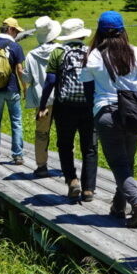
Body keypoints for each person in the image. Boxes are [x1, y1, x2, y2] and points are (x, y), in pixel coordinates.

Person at [81, 11, 137, 227]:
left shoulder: (92, 55)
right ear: (123, 30)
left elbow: (88, 93)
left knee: (119, 164)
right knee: (127, 163)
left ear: (99, 31)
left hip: (106, 114)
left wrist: (93, 115)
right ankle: (118, 206)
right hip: (133, 114)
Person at [38, 18, 98, 203]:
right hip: (89, 105)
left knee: (65, 145)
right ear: (82, 34)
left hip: (65, 106)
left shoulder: (58, 52)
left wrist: (42, 105)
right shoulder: (91, 51)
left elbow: (50, 81)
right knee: (89, 147)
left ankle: (72, 180)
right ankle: (88, 189)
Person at [22, 16, 62, 178]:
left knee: (41, 134)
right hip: (62, 99)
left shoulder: (31, 55)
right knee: (64, 133)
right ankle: (67, 165)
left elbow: (27, 79)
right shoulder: (61, 50)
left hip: (42, 101)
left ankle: (41, 166)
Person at [0, 18, 26, 166]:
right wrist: (25, 88)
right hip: (12, 89)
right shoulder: (15, 46)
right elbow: (20, 70)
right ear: (10, 29)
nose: (16, 34)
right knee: (16, 122)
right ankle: (17, 155)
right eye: (16, 30)